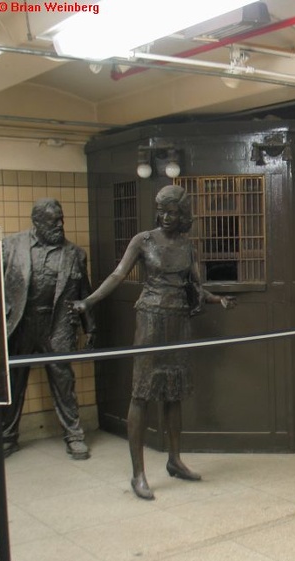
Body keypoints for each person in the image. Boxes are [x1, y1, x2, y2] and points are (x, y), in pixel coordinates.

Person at [70, 185, 235, 500]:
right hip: (150, 319)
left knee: (174, 392)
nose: (166, 217)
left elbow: (196, 287)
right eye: (162, 211)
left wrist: (217, 299)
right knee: (141, 393)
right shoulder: (143, 241)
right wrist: (88, 302)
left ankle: (174, 460)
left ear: (183, 214)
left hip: (179, 322)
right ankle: (138, 474)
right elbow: (118, 275)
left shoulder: (188, 246)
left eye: (173, 212)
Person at [0, 198, 96, 459]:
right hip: (20, 323)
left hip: (57, 325)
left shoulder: (75, 254)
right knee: (13, 381)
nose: (60, 224)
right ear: (37, 222)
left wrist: (90, 328)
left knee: (64, 381)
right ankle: (6, 437)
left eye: (61, 219)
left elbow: (83, 294)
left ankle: (74, 436)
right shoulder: (10, 247)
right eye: (54, 220)